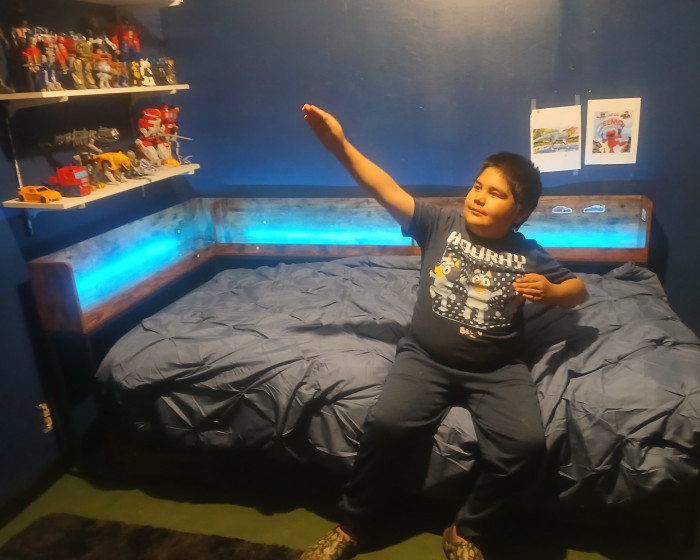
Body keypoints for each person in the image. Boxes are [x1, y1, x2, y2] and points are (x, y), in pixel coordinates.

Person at [299, 104, 588, 560]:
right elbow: (385, 187)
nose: (479, 197)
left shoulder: (528, 252)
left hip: (498, 369)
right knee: (386, 425)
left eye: (495, 194)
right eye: (478, 186)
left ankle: (467, 529)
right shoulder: (438, 224)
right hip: (425, 358)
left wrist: (552, 292)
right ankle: (353, 523)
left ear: (520, 211)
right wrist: (340, 146)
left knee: (526, 445)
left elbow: (578, 291)